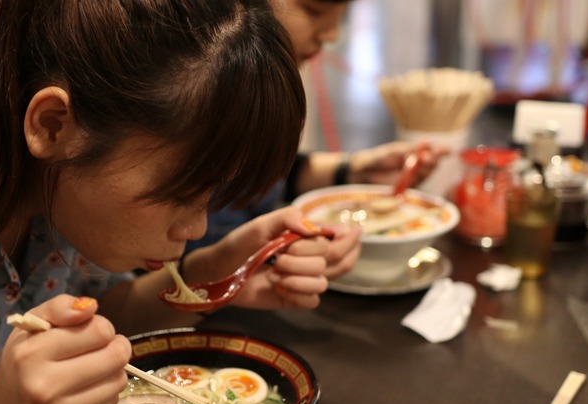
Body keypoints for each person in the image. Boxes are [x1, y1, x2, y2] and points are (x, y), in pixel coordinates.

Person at [0, 0, 358, 404]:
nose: (197, 228)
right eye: (182, 192)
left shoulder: (49, 170)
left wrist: (214, 273)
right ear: (52, 123)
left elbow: (102, 317)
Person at [186, 0, 448, 253]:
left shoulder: (260, 91)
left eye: (340, 14)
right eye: (313, 10)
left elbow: (263, 179)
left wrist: (354, 171)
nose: (331, 34)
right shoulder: (194, 93)